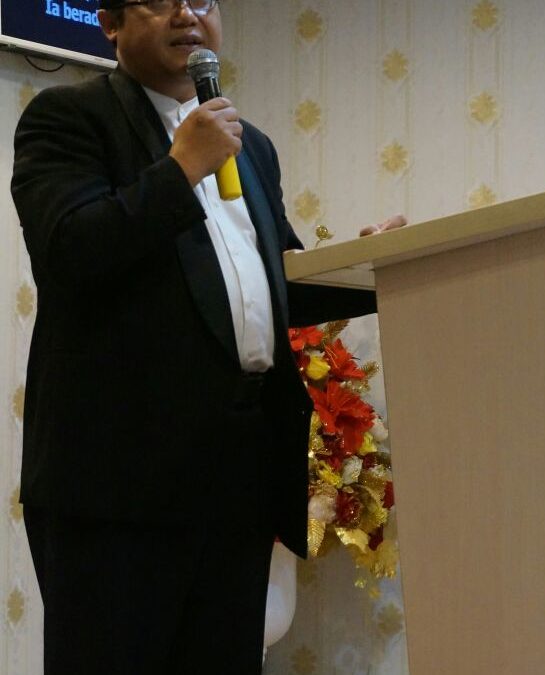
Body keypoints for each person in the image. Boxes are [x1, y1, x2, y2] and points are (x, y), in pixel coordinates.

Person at [11, 0, 405, 672]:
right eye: (159, 1)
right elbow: (68, 250)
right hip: (117, 488)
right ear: (109, 23)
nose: (186, 14)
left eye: (202, 0)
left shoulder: (251, 146)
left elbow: (272, 283)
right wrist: (181, 168)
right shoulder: (69, 118)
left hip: (237, 479)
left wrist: (373, 267)